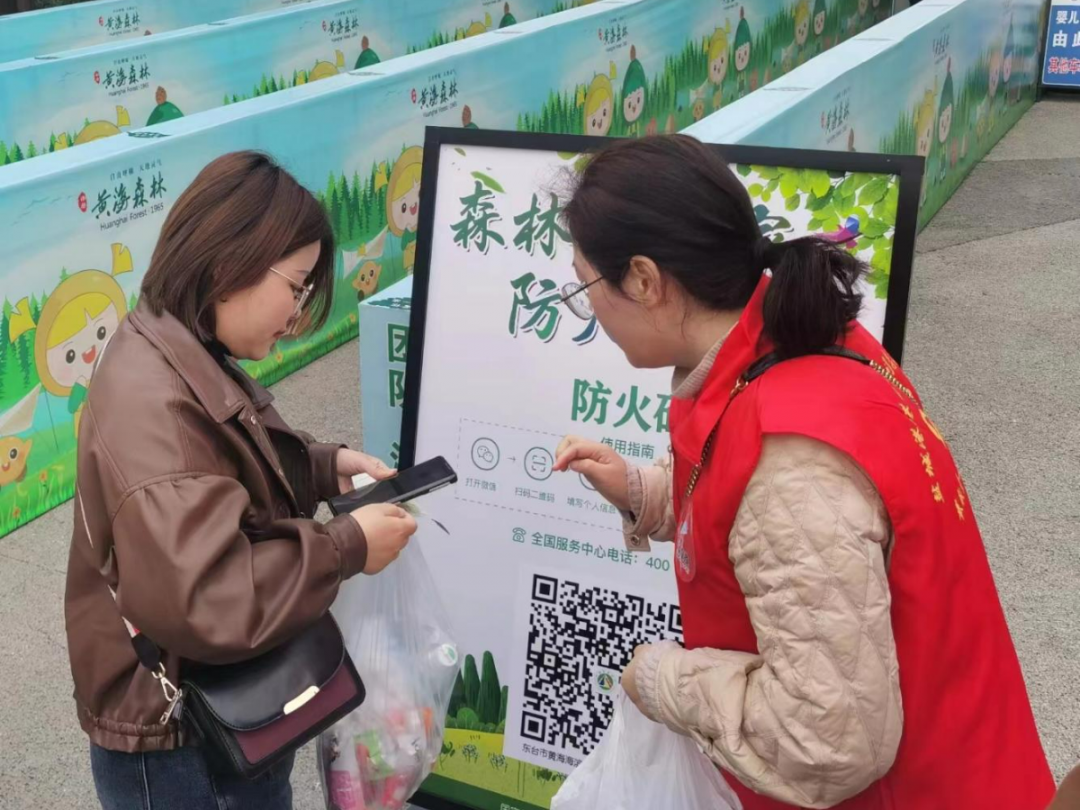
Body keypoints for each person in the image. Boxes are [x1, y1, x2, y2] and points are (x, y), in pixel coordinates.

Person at [552, 135, 1054, 809]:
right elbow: (752, 507)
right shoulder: (795, 341)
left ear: (644, 280)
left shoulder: (791, 463)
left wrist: (663, 680)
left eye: (586, 286)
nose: (589, 308)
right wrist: (646, 494)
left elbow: (824, 740)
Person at [65, 151, 418, 810]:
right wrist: (348, 546)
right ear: (232, 263)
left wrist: (320, 465)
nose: (299, 312)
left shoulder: (173, 344)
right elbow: (211, 597)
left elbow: (219, 467)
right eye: (297, 286)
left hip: (211, 711)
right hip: (184, 743)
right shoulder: (157, 407)